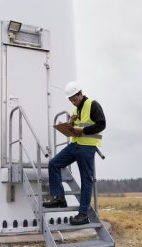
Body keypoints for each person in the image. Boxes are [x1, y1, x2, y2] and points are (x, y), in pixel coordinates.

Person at [43, 81, 106, 225]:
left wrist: (82, 130)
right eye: (70, 100)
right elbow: (75, 127)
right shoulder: (76, 109)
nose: (72, 102)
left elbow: (101, 124)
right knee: (54, 163)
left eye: (74, 99)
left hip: (87, 147)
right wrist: (69, 124)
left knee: (86, 180)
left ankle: (83, 215)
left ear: (80, 94)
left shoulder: (93, 104)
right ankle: (59, 198)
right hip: (75, 145)